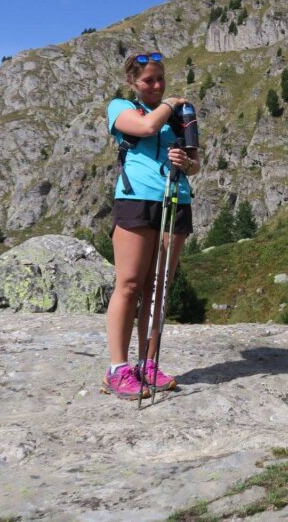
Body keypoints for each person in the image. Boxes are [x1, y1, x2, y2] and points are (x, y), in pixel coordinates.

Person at [102, 52, 200, 400]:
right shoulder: (120, 108)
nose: (156, 86)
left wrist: (185, 161)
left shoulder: (179, 117)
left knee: (158, 287)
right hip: (136, 200)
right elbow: (145, 128)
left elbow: (195, 163)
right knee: (129, 283)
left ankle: (148, 363)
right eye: (148, 81)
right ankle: (118, 368)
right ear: (133, 83)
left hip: (176, 199)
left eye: (160, 79)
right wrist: (171, 104)